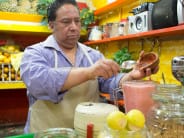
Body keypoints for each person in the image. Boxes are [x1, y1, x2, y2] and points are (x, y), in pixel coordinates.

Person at [20, 0, 159, 133]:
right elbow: (40, 82)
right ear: (51, 25)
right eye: (66, 22)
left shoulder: (93, 55)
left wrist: (130, 77)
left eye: (77, 21)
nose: (74, 27)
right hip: (47, 133)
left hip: (87, 132)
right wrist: (89, 72)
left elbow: (109, 83)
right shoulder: (35, 53)